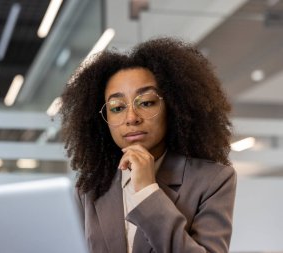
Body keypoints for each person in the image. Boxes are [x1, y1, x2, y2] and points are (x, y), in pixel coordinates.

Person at [60, 37, 237, 253]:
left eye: (146, 103)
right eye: (117, 107)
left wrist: (147, 191)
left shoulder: (213, 180)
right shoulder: (89, 188)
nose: (131, 118)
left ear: (172, 106)